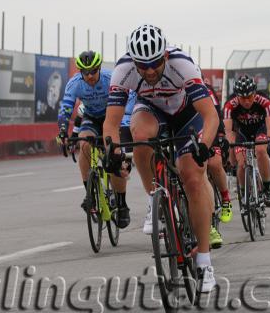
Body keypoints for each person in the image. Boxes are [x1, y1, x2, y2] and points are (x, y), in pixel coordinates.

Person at [103, 24, 219, 292]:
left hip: (186, 114)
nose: (150, 70)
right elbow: (111, 123)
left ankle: (203, 260)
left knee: (192, 178)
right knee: (140, 135)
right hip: (152, 110)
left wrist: (203, 146)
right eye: (143, 66)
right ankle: (155, 194)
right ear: (134, 62)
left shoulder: (182, 64)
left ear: (164, 56)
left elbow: (210, 115)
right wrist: (114, 151)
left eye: (155, 63)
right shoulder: (123, 71)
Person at [56, 51, 132, 229]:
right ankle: (90, 193)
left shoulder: (109, 78)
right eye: (86, 72)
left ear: (99, 68)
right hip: (91, 118)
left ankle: (122, 204)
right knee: (84, 144)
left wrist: (125, 124)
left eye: (93, 71)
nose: (90, 76)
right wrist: (62, 131)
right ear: (80, 72)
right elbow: (66, 108)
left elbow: (127, 100)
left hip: (111, 117)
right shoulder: (75, 83)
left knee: (114, 156)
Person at [223, 76, 270, 207]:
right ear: (237, 96)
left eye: (250, 97)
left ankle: (267, 189)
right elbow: (228, 132)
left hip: (260, 130)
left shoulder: (265, 102)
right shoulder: (230, 105)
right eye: (242, 98)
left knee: (260, 150)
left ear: (255, 93)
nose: (247, 101)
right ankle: (243, 193)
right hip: (241, 132)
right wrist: (230, 147)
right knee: (241, 163)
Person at [205, 82, 231, 249]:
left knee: (214, 163)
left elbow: (216, 115)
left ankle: (226, 199)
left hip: (208, 128)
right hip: (185, 130)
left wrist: (221, 136)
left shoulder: (205, 89)